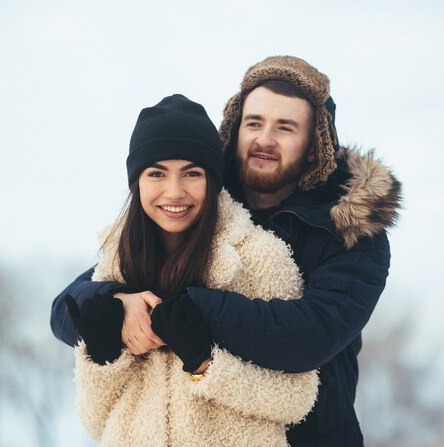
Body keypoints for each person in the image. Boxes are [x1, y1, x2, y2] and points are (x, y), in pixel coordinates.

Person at [51, 56, 403, 446]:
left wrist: (189, 308)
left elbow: (311, 335)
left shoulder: (351, 232)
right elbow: (69, 306)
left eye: (285, 128)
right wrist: (116, 303)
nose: (264, 139)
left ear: (314, 146)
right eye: (254, 123)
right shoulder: (196, 206)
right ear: (234, 129)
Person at [63, 94, 319, 447]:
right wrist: (104, 357)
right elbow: (95, 421)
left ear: (212, 180)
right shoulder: (116, 260)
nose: (174, 191)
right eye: (156, 173)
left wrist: (205, 364)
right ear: (136, 182)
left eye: (191, 173)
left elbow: (298, 397)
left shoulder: (260, 258)